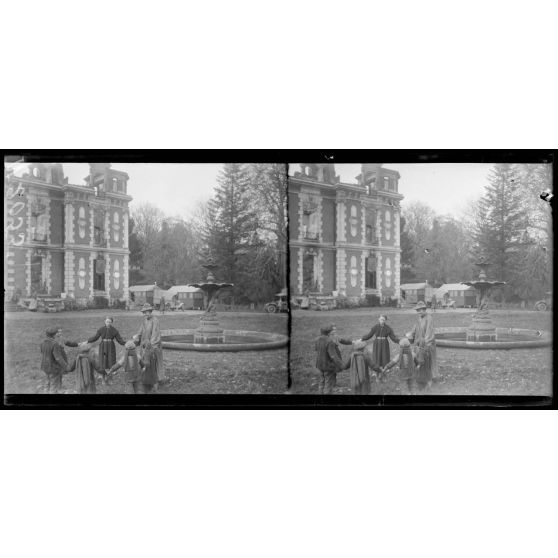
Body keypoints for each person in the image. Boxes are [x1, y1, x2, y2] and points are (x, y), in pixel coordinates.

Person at [133, 303, 167, 386]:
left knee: (154, 363)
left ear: (150, 311)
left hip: (153, 346)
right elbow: (140, 331)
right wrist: (137, 337)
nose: (145, 314)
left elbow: (155, 334)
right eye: (144, 312)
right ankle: (147, 380)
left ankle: (157, 381)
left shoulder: (155, 320)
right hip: (144, 346)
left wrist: (150, 346)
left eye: (146, 312)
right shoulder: (144, 321)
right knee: (145, 363)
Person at [86, 316, 126, 385]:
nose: (108, 323)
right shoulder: (101, 329)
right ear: (105, 321)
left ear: (112, 323)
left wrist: (126, 343)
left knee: (111, 362)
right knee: (103, 362)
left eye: (110, 322)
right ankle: (103, 378)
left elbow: (119, 339)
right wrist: (88, 341)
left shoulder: (114, 330)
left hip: (111, 347)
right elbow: (95, 337)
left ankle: (110, 378)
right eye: (107, 321)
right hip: (103, 347)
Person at [408, 301, 438, 388]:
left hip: (427, 344)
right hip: (418, 344)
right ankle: (421, 378)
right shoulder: (418, 319)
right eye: (417, 310)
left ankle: (431, 379)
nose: (419, 312)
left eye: (420, 310)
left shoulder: (429, 318)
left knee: (429, 361)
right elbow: (414, 330)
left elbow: (429, 332)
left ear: (424, 310)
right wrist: (410, 334)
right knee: (419, 360)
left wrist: (425, 343)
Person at [314, 324, 352, 394]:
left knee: (322, 381)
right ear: (329, 332)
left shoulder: (317, 339)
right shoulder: (330, 342)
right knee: (328, 384)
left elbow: (316, 349)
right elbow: (333, 356)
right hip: (328, 366)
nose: (334, 332)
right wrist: (343, 365)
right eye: (332, 330)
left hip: (319, 364)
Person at [40, 327, 69, 393]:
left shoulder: (42, 342)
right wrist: (66, 366)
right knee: (54, 386)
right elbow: (58, 358)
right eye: (56, 333)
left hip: (44, 366)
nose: (57, 334)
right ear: (54, 335)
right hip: (53, 368)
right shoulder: (55, 344)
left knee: (47, 383)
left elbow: (42, 352)